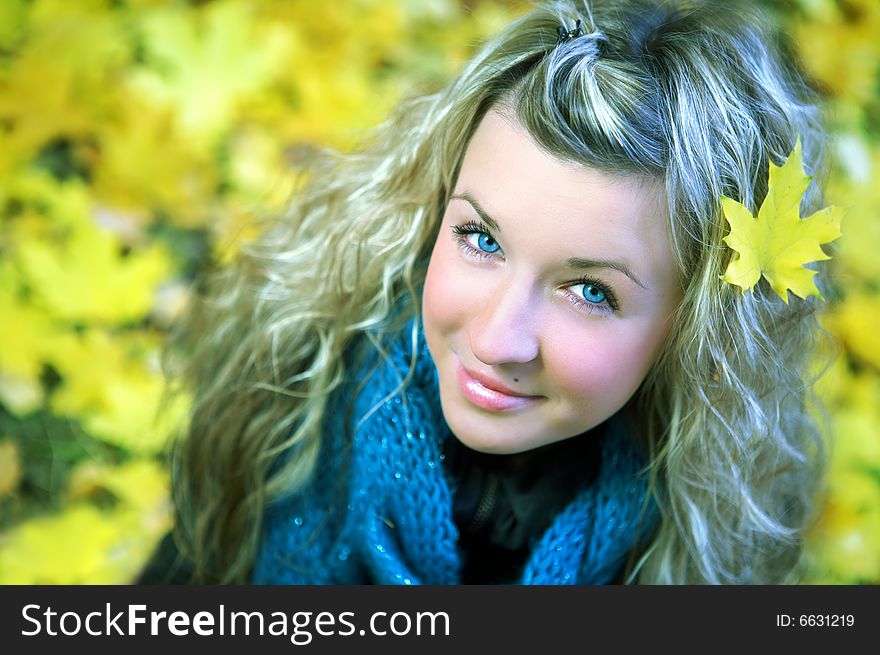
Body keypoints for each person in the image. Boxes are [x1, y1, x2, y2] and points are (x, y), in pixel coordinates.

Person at [145, 0, 832, 585]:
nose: (497, 339)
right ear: (435, 205)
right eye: (482, 239)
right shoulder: (288, 402)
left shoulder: (708, 534)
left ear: (697, 325)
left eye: (590, 290)